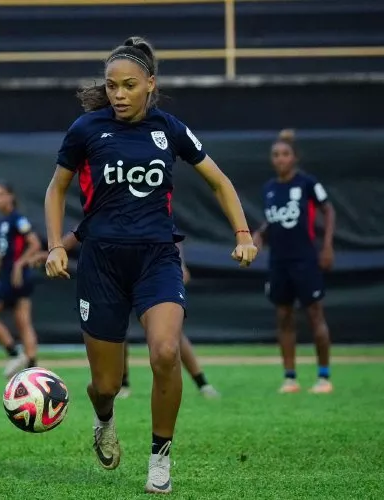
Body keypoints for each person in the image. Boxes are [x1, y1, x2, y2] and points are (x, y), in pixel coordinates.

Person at [43, 37, 257, 494]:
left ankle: (159, 458)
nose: (119, 94)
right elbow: (56, 189)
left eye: (129, 85)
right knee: (104, 385)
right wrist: (55, 245)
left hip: (157, 257)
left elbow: (219, 182)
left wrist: (242, 234)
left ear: (150, 85)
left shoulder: (171, 129)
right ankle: (104, 420)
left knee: (164, 351)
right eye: (112, 86)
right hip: (100, 263)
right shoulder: (85, 129)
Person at [30, 230, 221, 399]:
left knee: (170, 335)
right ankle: (123, 383)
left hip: (151, 270)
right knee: (116, 329)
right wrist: (55, 250)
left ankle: (202, 382)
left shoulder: (151, 195)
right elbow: (84, 227)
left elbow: (169, 228)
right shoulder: (108, 198)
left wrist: (181, 264)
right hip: (112, 272)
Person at [252, 129, 335, 395]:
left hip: (305, 259)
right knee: (284, 316)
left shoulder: (307, 183)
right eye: (275, 155)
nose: (280, 159)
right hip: (279, 261)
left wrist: (327, 245)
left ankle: (324, 376)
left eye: (285, 154)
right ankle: (290, 378)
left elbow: (328, 209)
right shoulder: (269, 189)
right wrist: (259, 233)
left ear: (295, 157)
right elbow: (273, 219)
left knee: (314, 314)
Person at [0, 180, 42, 379]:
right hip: (7, 276)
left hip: (16, 277)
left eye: (0, 194)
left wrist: (19, 264)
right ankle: (31, 364)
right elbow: (0, 254)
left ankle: (15, 354)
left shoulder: (18, 219)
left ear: (10, 196)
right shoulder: (2, 223)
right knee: (22, 320)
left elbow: (35, 243)